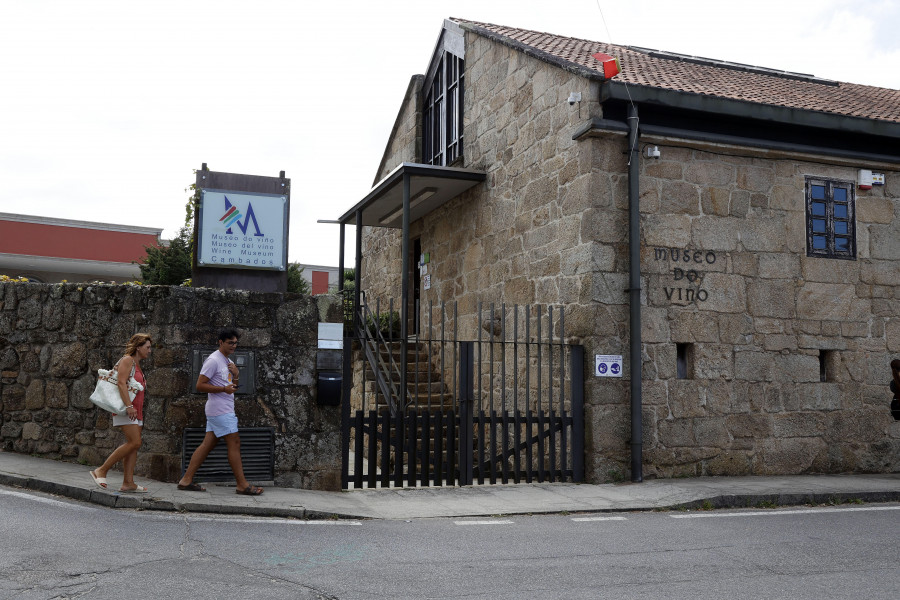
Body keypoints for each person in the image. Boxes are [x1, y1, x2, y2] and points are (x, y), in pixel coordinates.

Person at [177, 328, 263, 495]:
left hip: (220, 409)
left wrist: (236, 375)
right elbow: (200, 385)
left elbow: (230, 387)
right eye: (230, 342)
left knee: (207, 444)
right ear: (221, 342)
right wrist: (223, 388)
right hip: (221, 411)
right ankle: (242, 485)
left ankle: (186, 480)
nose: (234, 346)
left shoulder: (226, 360)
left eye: (236, 343)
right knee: (234, 443)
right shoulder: (213, 360)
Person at [89, 333, 153, 493]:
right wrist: (129, 405)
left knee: (134, 447)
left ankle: (128, 483)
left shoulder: (137, 364)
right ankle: (101, 470)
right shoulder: (127, 360)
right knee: (135, 442)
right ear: (138, 347)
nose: (150, 350)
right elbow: (121, 382)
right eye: (148, 347)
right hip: (126, 409)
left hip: (135, 411)